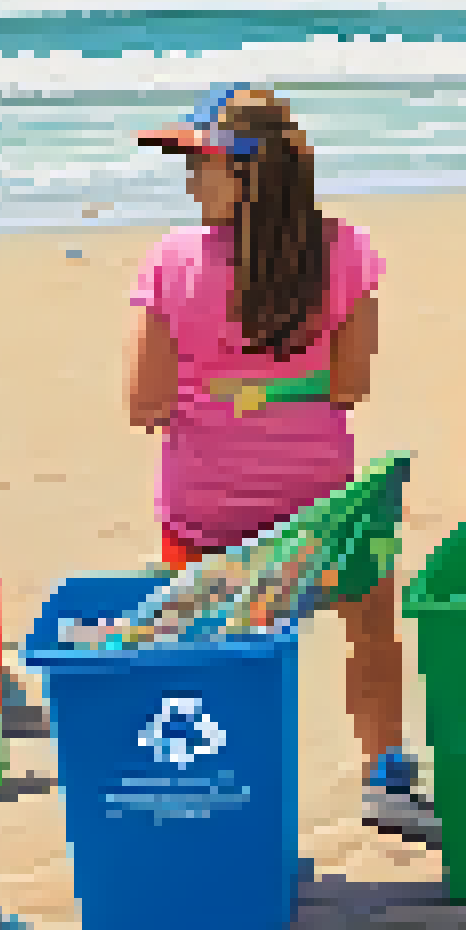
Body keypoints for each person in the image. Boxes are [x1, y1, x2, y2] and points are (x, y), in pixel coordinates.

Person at [126, 86, 427, 839]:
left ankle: (221, 781)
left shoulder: (169, 261)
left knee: (208, 651)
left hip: (205, 513)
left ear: (247, 174)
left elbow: (142, 405)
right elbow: (352, 386)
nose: (189, 181)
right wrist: (282, 386)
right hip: (320, 511)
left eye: (200, 165)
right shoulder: (346, 251)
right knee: (370, 630)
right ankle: (385, 768)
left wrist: (222, 389)